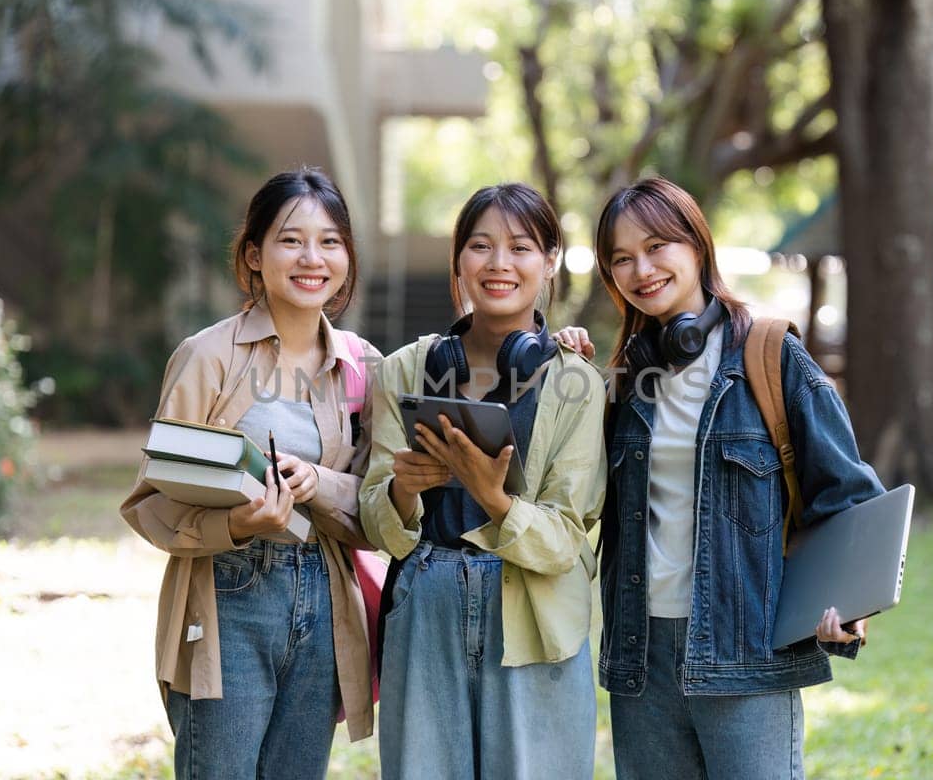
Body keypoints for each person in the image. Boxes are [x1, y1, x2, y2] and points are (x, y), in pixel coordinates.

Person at [553, 176, 885, 779]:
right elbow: (570, 490)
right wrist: (562, 375)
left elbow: (850, 495)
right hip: (641, 657)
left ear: (697, 247)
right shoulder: (625, 379)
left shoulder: (769, 356)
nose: (641, 269)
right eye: (621, 258)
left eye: (657, 247)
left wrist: (854, 602)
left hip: (746, 654)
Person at [119, 168, 379, 779]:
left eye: (330, 241)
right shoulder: (208, 356)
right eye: (291, 240)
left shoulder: (363, 365)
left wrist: (320, 482)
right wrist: (236, 523)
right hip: (226, 599)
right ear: (254, 255)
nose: (312, 258)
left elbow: (381, 503)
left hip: (324, 601)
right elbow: (148, 504)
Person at [359, 183, 607, 779]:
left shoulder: (578, 381)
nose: (499, 264)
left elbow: (566, 539)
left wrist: (494, 498)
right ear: (458, 262)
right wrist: (404, 490)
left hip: (535, 616)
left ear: (550, 262)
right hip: (426, 609)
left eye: (521, 247)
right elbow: (373, 519)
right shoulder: (404, 370)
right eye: (480, 246)